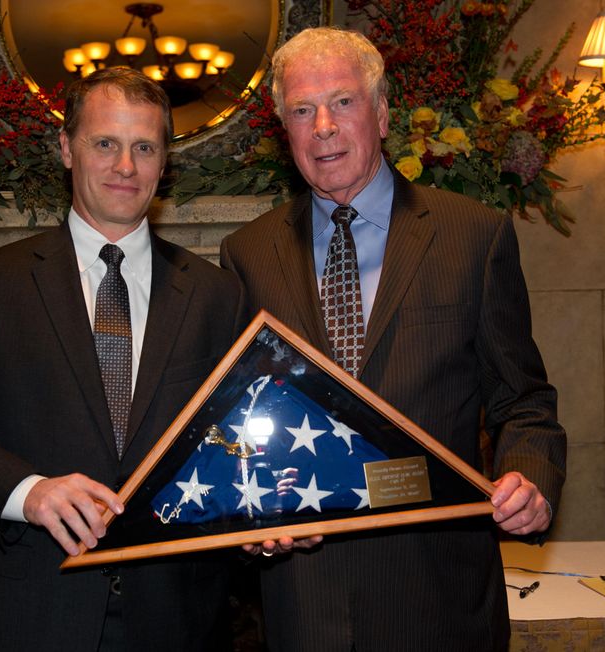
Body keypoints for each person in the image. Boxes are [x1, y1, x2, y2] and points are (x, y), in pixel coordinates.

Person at [219, 27, 567, 651]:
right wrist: (245, 506)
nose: (323, 125)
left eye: (343, 102)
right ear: (285, 130)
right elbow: (238, 419)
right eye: (302, 110)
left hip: (438, 599)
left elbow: (525, 403)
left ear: (381, 114)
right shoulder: (247, 255)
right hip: (306, 604)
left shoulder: (472, 236)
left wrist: (530, 477)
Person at [0, 68, 243, 652]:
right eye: (105, 143)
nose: (125, 167)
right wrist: (28, 491)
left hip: (180, 619)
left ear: (164, 164)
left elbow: (235, 446)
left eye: (144, 148)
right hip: (35, 613)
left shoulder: (216, 295)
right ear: (66, 148)